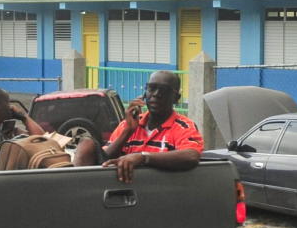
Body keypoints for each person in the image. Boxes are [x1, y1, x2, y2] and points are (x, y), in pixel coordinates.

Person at [73, 71, 204, 183]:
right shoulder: (128, 124)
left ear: (176, 98)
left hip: (159, 191)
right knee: (86, 143)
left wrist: (143, 157)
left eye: (163, 90)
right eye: (152, 88)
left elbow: (191, 156)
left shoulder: (183, 126)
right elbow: (105, 158)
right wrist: (128, 131)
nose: (156, 94)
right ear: (145, 93)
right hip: (122, 191)